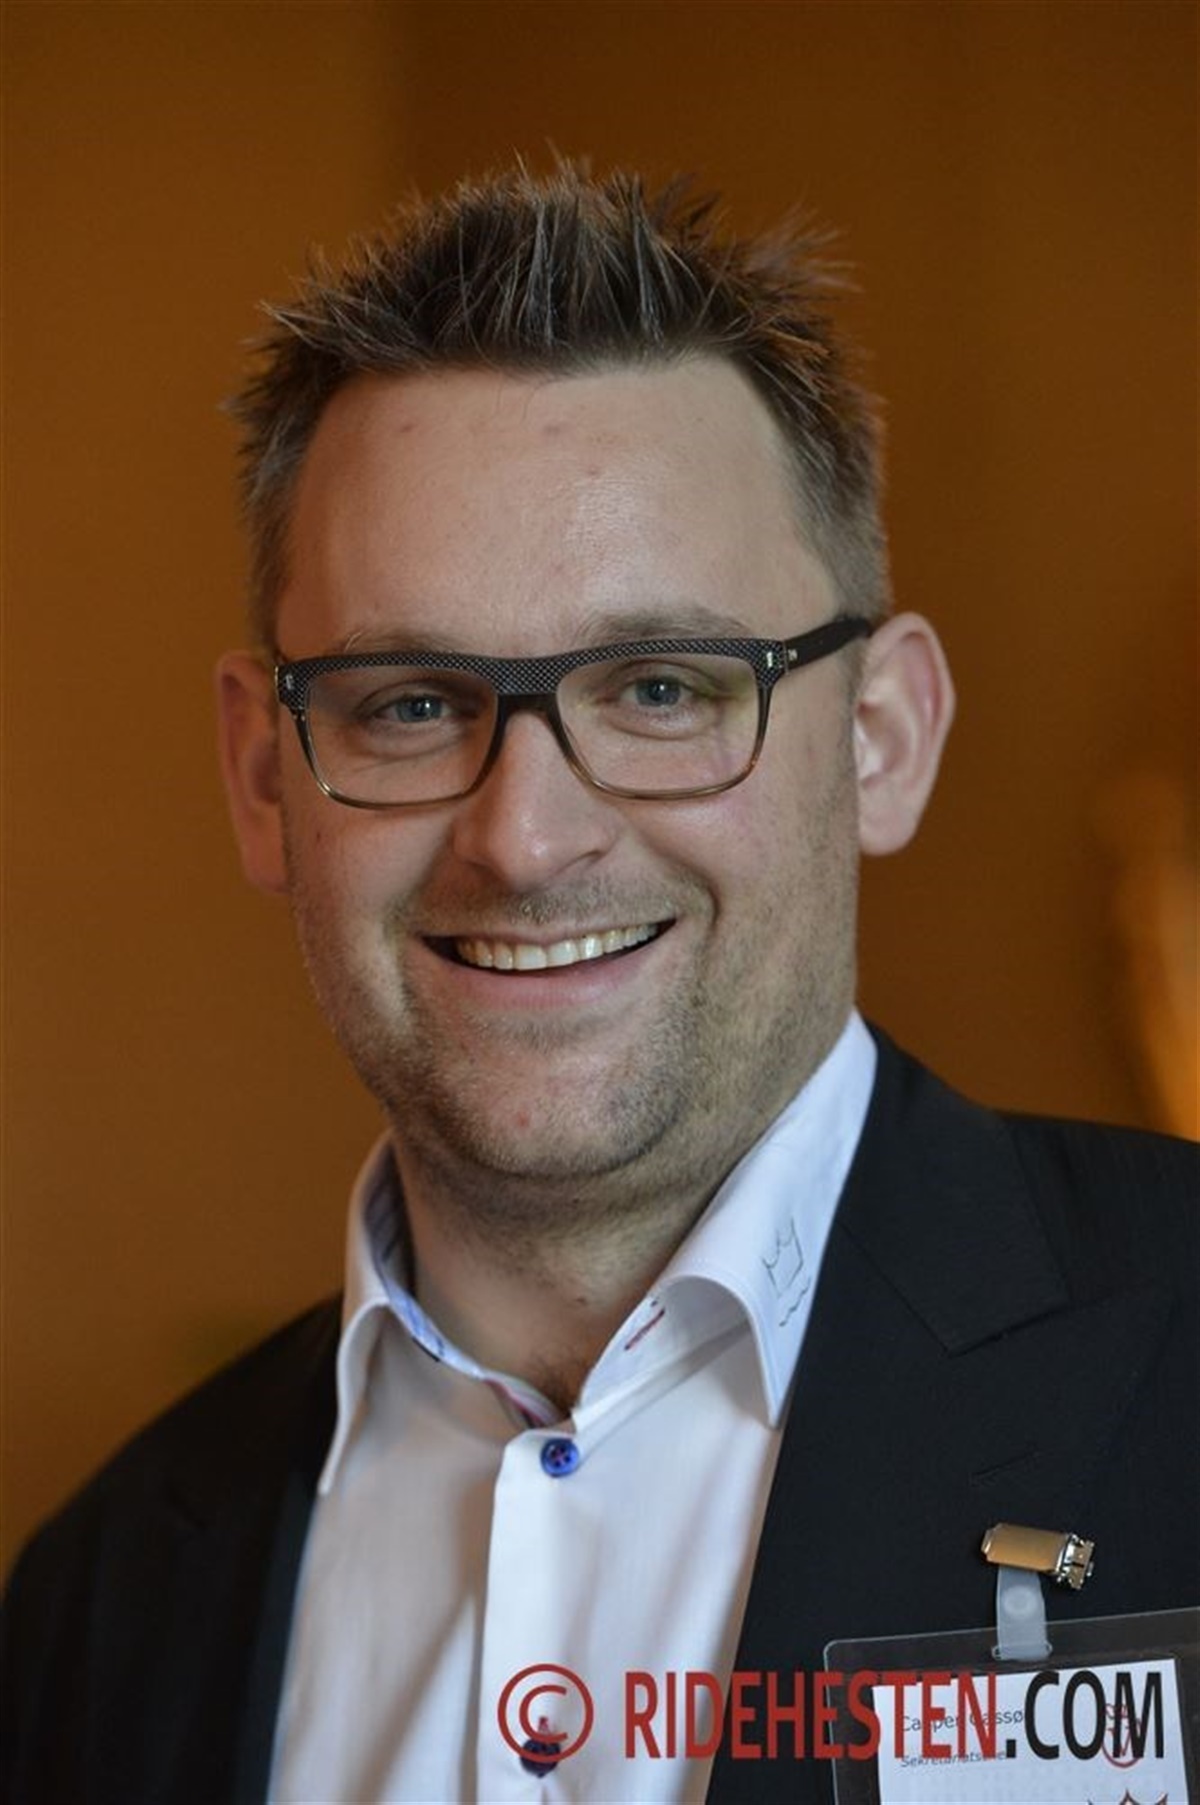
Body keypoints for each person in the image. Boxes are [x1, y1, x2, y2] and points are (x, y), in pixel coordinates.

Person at [3, 162, 1196, 1805]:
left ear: (883, 738)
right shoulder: (99, 1604)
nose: (525, 836)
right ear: (264, 779)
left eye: (660, 686)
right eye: (410, 703)